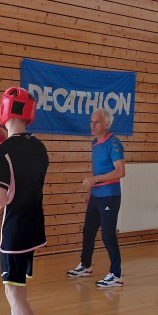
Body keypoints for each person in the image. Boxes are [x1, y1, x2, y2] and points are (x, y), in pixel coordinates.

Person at [0, 87, 54, 315]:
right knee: (18, 283)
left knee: (13, 292)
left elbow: (0, 200)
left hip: (14, 229)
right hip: (34, 226)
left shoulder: (2, 150)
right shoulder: (40, 147)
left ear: (4, 111)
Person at [66, 108, 126, 288]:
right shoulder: (94, 143)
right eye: (91, 121)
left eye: (96, 122)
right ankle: (85, 266)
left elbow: (120, 171)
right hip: (96, 195)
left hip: (110, 196)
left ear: (106, 124)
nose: (92, 125)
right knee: (88, 230)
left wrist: (95, 180)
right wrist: (90, 191)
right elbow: (96, 170)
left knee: (108, 235)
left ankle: (116, 274)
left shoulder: (114, 143)